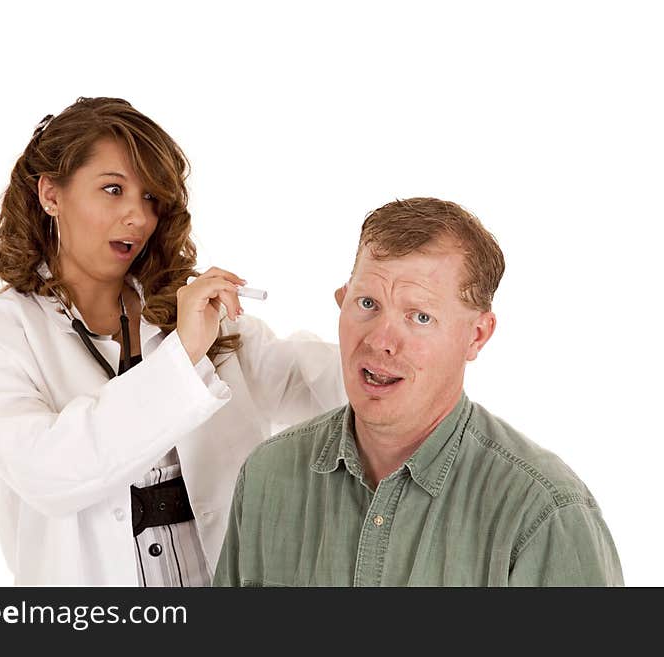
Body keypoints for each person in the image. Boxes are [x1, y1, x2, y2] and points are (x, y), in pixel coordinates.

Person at [0, 97, 345, 586]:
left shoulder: (201, 315)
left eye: (151, 198)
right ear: (50, 194)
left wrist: (373, 333)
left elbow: (317, 389)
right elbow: (51, 473)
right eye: (113, 190)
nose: (138, 216)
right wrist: (182, 358)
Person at [214, 197, 623, 586]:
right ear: (342, 302)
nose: (381, 341)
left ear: (477, 336)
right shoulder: (267, 476)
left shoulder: (543, 511)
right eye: (368, 304)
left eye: (420, 316)